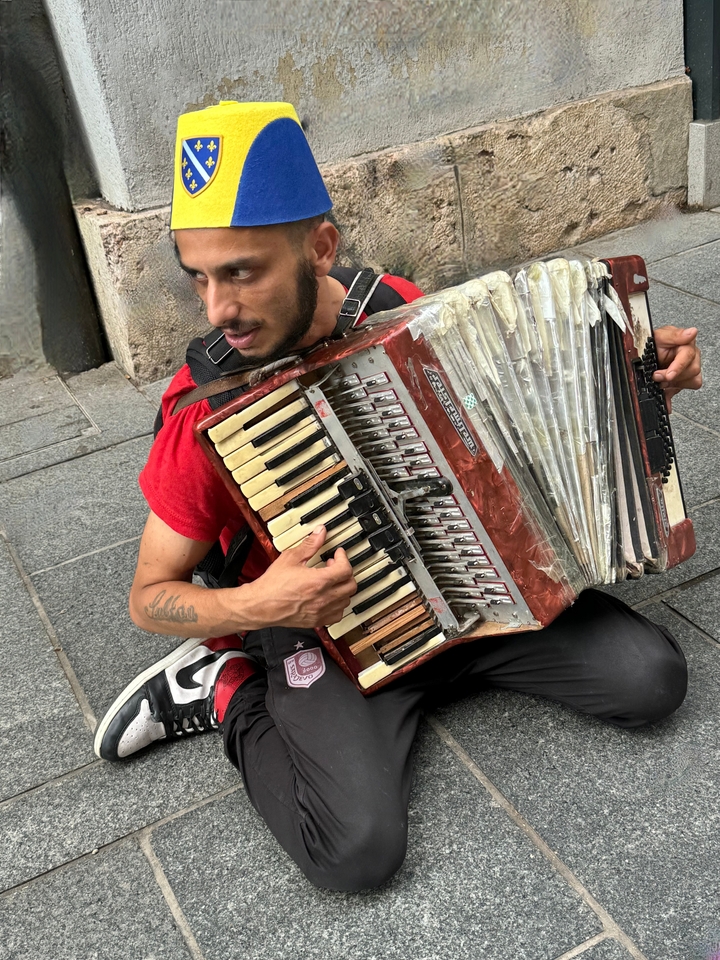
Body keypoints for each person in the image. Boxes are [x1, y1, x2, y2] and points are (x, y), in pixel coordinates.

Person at [95, 101, 703, 892]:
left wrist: (636, 381)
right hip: (327, 631)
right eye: (200, 278)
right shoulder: (205, 408)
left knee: (653, 681)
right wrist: (259, 608)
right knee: (355, 852)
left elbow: (516, 438)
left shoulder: (391, 310)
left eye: (242, 272)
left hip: (477, 595)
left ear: (320, 248)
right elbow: (149, 597)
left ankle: (451, 666)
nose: (218, 310)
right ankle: (223, 691)